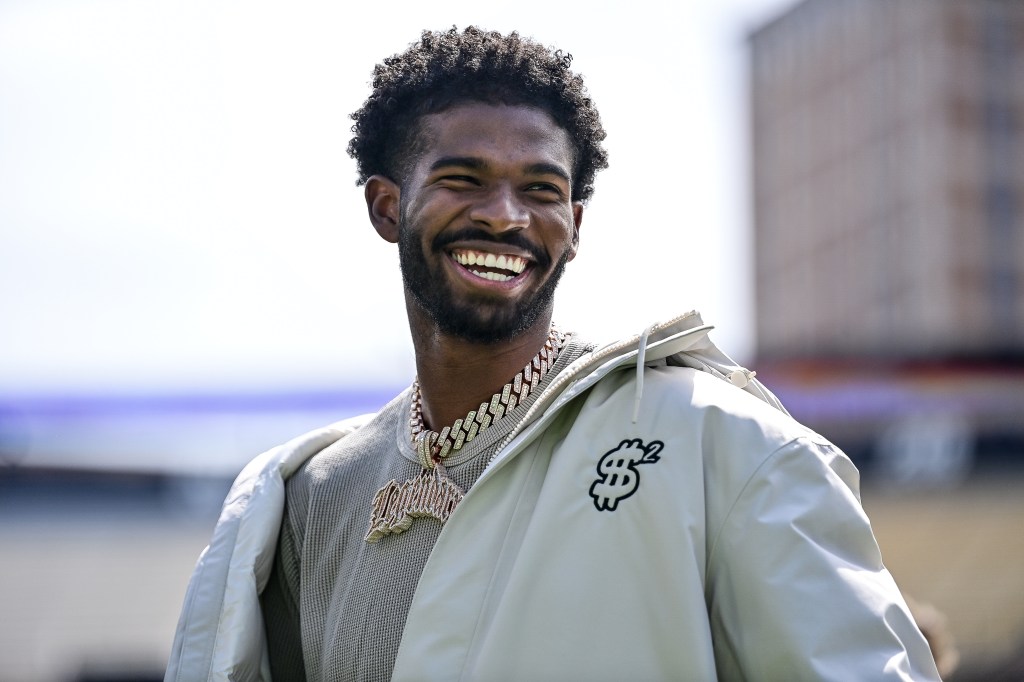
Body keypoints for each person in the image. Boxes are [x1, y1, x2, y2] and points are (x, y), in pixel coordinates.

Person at [166, 26, 942, 681]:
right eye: (463, 179)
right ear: (387, 205)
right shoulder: (307, 500)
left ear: (573, 223)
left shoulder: (722, 443)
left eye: (540, 191)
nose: (505, 217)